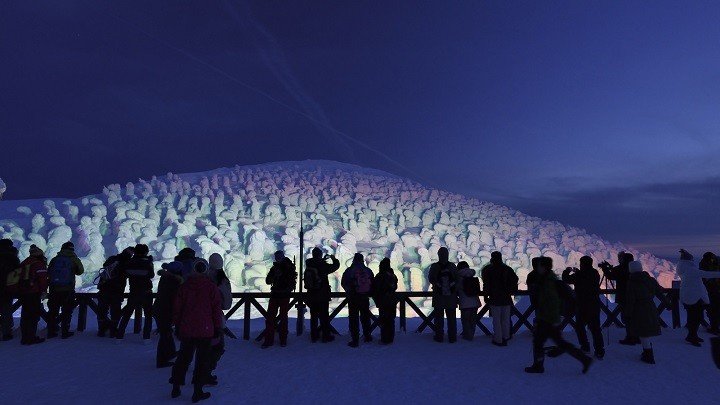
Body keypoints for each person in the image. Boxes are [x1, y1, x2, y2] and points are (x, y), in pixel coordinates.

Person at [525, 256, 592, 374]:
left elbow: (551, 301)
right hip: (548, 318)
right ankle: (584, 359)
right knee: (553, 342)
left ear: (544, 267)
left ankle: (538, 365)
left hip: (547, 318)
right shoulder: (548, 280)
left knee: (541, 342)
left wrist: (551, 318)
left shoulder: (548, 282)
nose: (538, 267)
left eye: (540, 265)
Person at [170, 259, 223, 403]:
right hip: (205, 330)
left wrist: (177, 325)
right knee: (202, 360)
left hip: (187, 328)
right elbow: (216, 310)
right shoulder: (211, 287)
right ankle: (197, 391)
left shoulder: (185, 287)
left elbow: (177, 308)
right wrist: (218, 327)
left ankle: (176, 387)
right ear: (206, 270)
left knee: (183, 358)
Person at [562, 256, 605, 359]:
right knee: (595, 328)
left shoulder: (579, 275)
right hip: (594, 304)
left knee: (580, 326)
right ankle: (599, 350)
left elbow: (566, 279)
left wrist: (567, 271)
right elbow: (586, 277)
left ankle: (585, 346)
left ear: (582, 264)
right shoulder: (595, 273)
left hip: (581, 305)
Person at [624, 260, 665, 364]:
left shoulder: (632, 282)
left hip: (638, 309)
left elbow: (630, 300)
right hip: (650, 307)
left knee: (643, 332)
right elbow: (659, 293)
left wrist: (627, 313)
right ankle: (646, 352)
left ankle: (648, 355)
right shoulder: (650, 280)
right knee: (646, 331)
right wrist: (668, 304)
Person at [677, 249, 720, 347]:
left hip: (688, 296)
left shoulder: (683, 268)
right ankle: (691, 336)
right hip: (694, 297)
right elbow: (707, 274)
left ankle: (693, 335)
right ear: (689, 260)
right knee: (696, 317)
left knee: (694, 317)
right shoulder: (691, 270)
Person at [115, 244, 154, 342]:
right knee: (148, 315)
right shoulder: (147, 263)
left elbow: (125, 273)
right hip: (146, 291)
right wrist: (149, 262)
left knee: (127, 314)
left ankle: (119, 336)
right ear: (146, 252)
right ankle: (146, 337)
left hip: (134, 291)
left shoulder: (130, 262)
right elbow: (151, 275)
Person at [47, 241, 84, 339]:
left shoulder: (55, 259)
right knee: (67, 311)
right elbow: (80, 271)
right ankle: (64, 332)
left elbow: (49, 272)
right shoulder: (73, 259)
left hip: (54, 289)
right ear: (72, 249)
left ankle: (51, 331)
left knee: (53, 311)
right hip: (68, 289)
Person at [599, 252, 638, 345]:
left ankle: (630, 337)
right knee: (634, 317)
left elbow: (611, 276)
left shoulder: (620, 269)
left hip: (624, 296)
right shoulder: (634, 268)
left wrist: (605, 268)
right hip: (636, 296)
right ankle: (636, 336)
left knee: (626, 317)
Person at [481, 251, 518, 346]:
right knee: (505, 319)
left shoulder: (488, 270)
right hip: (506, 298)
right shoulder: (507, 269)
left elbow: (486, 284)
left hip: (494, 298)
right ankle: (506, 337)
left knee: (496, 320)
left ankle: (498, 339)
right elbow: (515, 280)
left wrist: (485, 296)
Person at [304, 247, 340, 343]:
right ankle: (325, 336)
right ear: (320, 255)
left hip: (311, 295)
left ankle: (314, 336)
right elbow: (335, 266)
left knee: (314, 316)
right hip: (322, 295)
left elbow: (316, 264)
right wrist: (333, 258)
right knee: (324, 317)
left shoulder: (309, 263)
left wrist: (321, 260)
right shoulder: (323, 265)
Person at [96, 247, 133, 337]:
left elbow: (105, 265)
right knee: (115, 311)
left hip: (104, 288)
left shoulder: (112, 259)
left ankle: (101, 329)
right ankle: (113, 330)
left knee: (102, 310)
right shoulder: (127, 263)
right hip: (117, 290)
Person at [263, 251, 296, 348]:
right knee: (281, 318)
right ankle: (282, 340)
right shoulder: (287, 267)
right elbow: (268, 281)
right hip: (282, 295)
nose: (276, 259)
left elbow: (268, 281)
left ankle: (271, 340)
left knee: (273, 318)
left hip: (278, 295)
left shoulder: (280, 268)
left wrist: (276, 276)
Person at [16, 245, 48, 344]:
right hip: (33, 293)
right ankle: (31, 337)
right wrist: (43, 291)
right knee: (33, 316)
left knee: (25, 315)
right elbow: (42, 280)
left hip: (23, 292)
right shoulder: (38, 264)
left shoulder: (24, 262)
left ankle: (24, 337)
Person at [154, 261, 184, 368]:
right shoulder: (174, 282)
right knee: (165, 334)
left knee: (166, 333)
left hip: (160, 309)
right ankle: (161, 360)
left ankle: (170, 353)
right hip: (165, 310)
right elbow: (174, 299)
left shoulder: (165, 278)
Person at [207, 253, 232, 380]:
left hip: (201, 318)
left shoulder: (202, 277)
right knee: (217, 347)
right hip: (215, 318)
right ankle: (206, 373)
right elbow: (227, 303)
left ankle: (200, 373)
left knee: (203, 348)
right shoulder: (222, 280)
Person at [341, 253, 374, 347]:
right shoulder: (367, 270)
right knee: (365, 317)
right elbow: (372, 282)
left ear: (354, 260)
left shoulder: (349, 270)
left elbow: (343, 283)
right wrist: (367, 292)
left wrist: (349, 291)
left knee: (353, 318)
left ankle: (355, 339)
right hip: (364, 297)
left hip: (353, 298)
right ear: (362, 260)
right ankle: (367, 336)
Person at [427, 247, 458, 343]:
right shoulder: (452, 266)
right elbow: (457, 279)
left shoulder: (434, 266)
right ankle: (452, 337)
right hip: (451, 297)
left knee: (439, 318)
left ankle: (439, 336)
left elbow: (431, 279)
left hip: (438, 296)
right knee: (452, 318)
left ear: (439, 255)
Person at [372, 258, 398, 344]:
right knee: (391, 320)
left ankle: (385, 338)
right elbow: (395, 287)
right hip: (392, 300)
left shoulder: (380, 276)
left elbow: (375, 288)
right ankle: (390, 338)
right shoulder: (393, 275)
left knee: (384, 320)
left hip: (383, 301)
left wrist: (376, 299)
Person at [0, 239, 20, 341]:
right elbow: (18, 272)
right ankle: (6, 333)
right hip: (8, 288)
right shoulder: (13, 257)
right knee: (6, 311)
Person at [456, 261, 481, 341]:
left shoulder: (458, 278)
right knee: (472, 320)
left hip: (464, 303)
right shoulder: (472, 276)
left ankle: (467, 336)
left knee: (465, 320)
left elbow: (456, 290)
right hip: (475, 302)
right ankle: (471, 335)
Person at [700, 252, 720, 334]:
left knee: (712, 309)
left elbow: (703, 276)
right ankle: (715, 327)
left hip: (710, 290)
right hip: (713, 290)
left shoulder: (704, 263)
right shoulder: (713, 262)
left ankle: (714, 327)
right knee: (714, 309)